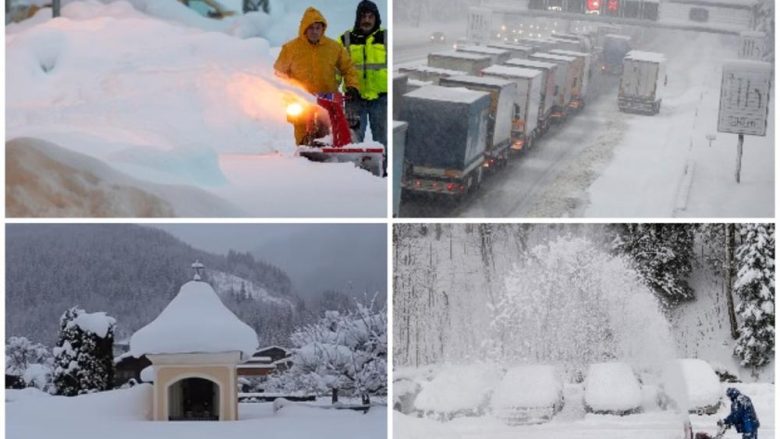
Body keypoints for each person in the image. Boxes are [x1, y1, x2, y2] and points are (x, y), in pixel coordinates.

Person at [274, 7, 360, 145]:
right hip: (301, 101)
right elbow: (279, 73)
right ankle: (304, 159)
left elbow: (348, 68)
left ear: (323, 29)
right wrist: (288, 94)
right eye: (311, 28)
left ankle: (332, 160)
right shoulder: (290, 49)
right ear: (304, 29)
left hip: (329, 101)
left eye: (318, 28)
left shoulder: (334, 48)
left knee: (330, 135)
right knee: (303, 138)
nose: (314, 31)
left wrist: (352, 85)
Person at [340, 0, 387, 148]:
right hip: (354, 99)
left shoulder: (386, 38)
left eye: (370, 16)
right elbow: (335, 69)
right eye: (363, 16)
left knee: (383, 141)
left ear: (376, 18)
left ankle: (384, 170)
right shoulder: (344, 40)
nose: (367, 20)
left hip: (381, 100)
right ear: (357, 18)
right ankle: (354, 170)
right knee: (352, 141)